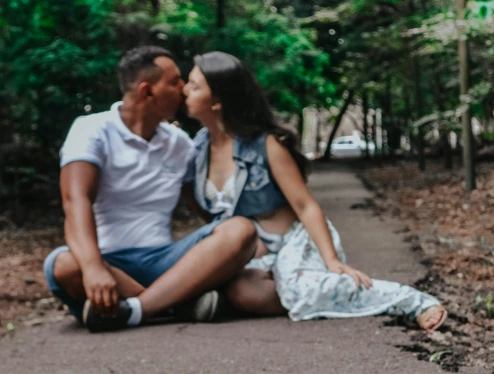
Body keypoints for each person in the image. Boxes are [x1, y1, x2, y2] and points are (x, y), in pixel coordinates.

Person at [182, 51, 447, 331]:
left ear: (218, 101)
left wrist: (332, 260)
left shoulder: (265, 144)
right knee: (245, 293)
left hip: (293, 242)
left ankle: (410, 300)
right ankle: (233, 298)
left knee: (300, 291)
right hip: (249, 256)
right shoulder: (197, 148)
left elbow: (305, 206)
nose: (184, 90)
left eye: (194, 85)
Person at [43, 46, 257, 332]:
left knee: (240, 230)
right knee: (63, 265)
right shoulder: (91, 130)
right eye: (174, 82)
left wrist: (254, 243)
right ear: (147, 91)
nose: (183, 89)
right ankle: (177, 302)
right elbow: (75, 201)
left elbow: (204, 208)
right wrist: (93, 267)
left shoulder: (179, 143)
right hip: (107, 262)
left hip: (164, 260)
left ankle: (134, 309)